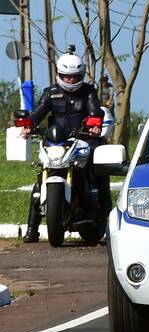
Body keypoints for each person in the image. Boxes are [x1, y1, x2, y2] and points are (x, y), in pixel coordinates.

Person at [21, 52, 105, 243]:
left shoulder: (88, 91)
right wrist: (28, 124)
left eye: (75, 76)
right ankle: (32, 229)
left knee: (94, 163)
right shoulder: (50, 92)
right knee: (41, 178)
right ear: (59, 74)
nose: (70, 80)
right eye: (67, 76)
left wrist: (94, 123)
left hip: (82, 137)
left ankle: (99, 207)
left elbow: (94, 109)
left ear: (81, 75)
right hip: (55, 140)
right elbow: (38, 112)